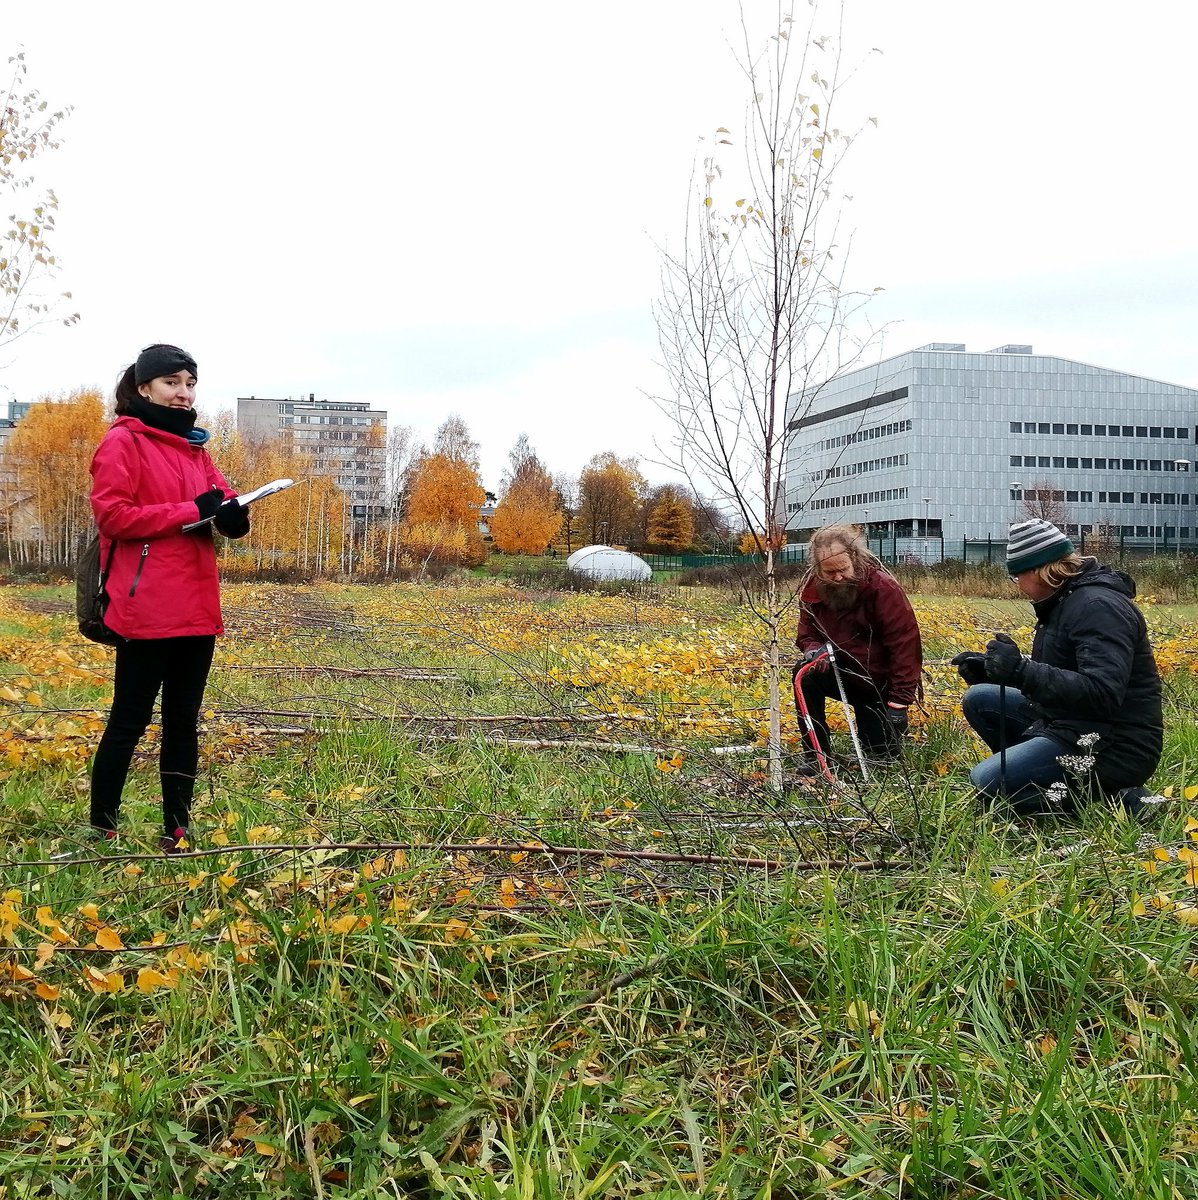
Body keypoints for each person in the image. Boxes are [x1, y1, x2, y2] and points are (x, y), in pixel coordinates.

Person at [84, 344, 250, 852]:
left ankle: (176, 829)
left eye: (189, 383)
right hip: (146, 606)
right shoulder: (122, 443)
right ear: (144, 388)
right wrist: (188, 510)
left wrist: (233, 517)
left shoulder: (196, 448)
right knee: (129, 720)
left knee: (183, 722)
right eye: (172, 383)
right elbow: (113, 517)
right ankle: (103, 828)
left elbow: (218, 502)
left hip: (197, 605)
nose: (183, 393)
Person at [951, 518, 1164, 818]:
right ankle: (1036, 775)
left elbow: (1101, 693)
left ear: (1038, 570)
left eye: (1016, 576)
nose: (1018, 586)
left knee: (987, 784)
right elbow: (1061, 675)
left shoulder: (1097, 607)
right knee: (982, 697)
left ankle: (1111, 798)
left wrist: (1020, 671)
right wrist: (994, 672)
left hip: (1116, 744)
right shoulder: (1063, 601)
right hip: (1072, 724)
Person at [793, 524, 923, 772]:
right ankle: (816, 755)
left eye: (843, 569)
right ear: (818, 568)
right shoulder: (813, 588)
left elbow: (905, 644)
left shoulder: (882, 587)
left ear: (854, 557)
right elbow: (806, 633)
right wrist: (813, 650)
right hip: (842, 671)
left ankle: (880, 735)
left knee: (881, 759)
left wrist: (899, 702)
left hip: (879, 683)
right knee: (805, 674)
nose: (838, 577)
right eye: (829, 572)